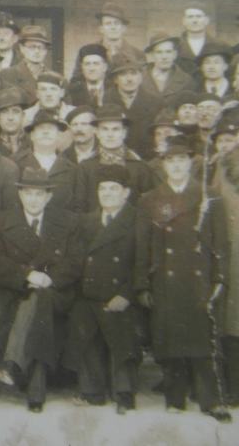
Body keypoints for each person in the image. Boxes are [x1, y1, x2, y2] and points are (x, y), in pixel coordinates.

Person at [133, 136, 232, 423]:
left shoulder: (209, 196)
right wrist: (142, 283)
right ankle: (175, 399)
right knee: (170, 340)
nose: (176, 165)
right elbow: (143, 245)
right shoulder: (149, 199)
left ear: (191, 163)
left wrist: (220, 278)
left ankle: (211, 400)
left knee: (205, 340)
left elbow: (221, 243)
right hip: (165, 279)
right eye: (170, 160)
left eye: (182, 160)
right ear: (163, 165)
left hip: (199, 280)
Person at [0, 167, 82, 413]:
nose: (33, 199)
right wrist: (27, 275)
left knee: (40, 299)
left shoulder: (68, 222)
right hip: (12, 292)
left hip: (55, 290)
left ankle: (13, 364)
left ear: (49, 197)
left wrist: (50, 278)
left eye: (39, 194)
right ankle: (35, 392)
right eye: (28, 193)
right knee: (38, 307)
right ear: (20, 195)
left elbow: (75, 261)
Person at [65, 165, 141, 414]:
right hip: (90, 292)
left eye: (113, 188)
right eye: (102, 189)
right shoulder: (87, 221)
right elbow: (76, 260)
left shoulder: (137, 220)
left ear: (125, 193)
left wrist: (126, 295)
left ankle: (124, 391)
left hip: (122, 294)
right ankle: (92, 390)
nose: (107, 193)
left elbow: (143, 264)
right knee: (83, 319)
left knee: (119, 327)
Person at [213, 114, 239, 407]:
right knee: (234, 322)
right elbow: (213, 207)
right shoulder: (224, 165)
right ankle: (237, 388)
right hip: (235, 254)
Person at [1, 25, 52, 105]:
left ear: (46, 51)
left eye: (41, 47)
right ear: (22, 48)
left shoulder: (55, 77)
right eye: (32, 47)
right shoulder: (6, 75)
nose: (37, 51)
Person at [141, 33, 198, 100]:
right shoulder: (139, 78)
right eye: (159, 52)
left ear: (174, 54)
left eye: (168, 52)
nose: (164, 57)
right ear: (152, 55)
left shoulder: (186, 81)